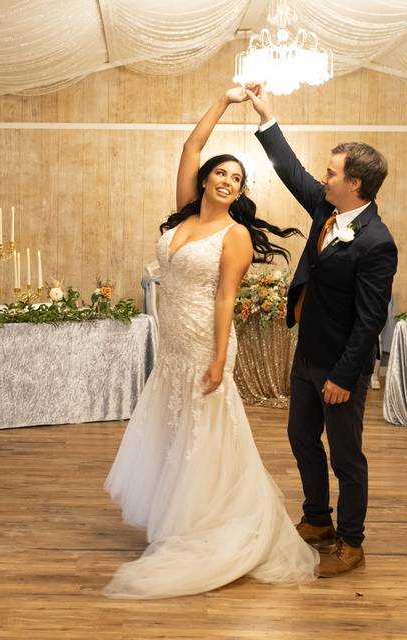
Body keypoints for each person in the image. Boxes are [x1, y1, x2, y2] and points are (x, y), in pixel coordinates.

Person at [103, 88, 318, 599]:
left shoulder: (236, 234)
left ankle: (208, 519)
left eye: (237, 178)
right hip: (173, 343)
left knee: (204, 434)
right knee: (173, 429)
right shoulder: (184, 215)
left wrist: (221, 358)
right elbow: (189, 148)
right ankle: (175, 514)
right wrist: (224, 102)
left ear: (241, 190)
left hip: (206, 342)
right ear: (205, 180)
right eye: (221, 173)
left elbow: (226, 298)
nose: (227, 181)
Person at [246, 83, 397, 576]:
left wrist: (343, 375)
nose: (323, 178)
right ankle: (317, 520)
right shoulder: (325, 209)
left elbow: (371, 318)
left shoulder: (376, 242)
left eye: (331, 172)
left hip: (339, 367)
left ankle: (351, 542)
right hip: (306, 354)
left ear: (355, 183)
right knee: (301, 439)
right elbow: (291, 171)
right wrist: (267, 116)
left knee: (346, 457)